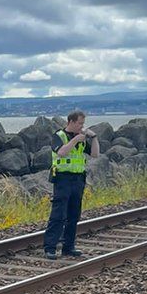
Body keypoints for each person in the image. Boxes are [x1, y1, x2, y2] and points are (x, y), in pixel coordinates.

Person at [42, 110, 100, 260]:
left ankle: (68, 247)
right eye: (80, 123)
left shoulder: (81, 139)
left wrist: (93, 138)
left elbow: (95, 154)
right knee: (58, 214)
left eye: (83, 123)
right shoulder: (59, 136)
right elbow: (61, 152)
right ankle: (50, 247)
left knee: (74, 214)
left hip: (78, 179)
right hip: (62, 179)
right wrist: (75, 140)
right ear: (71, 122)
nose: (82, 126)